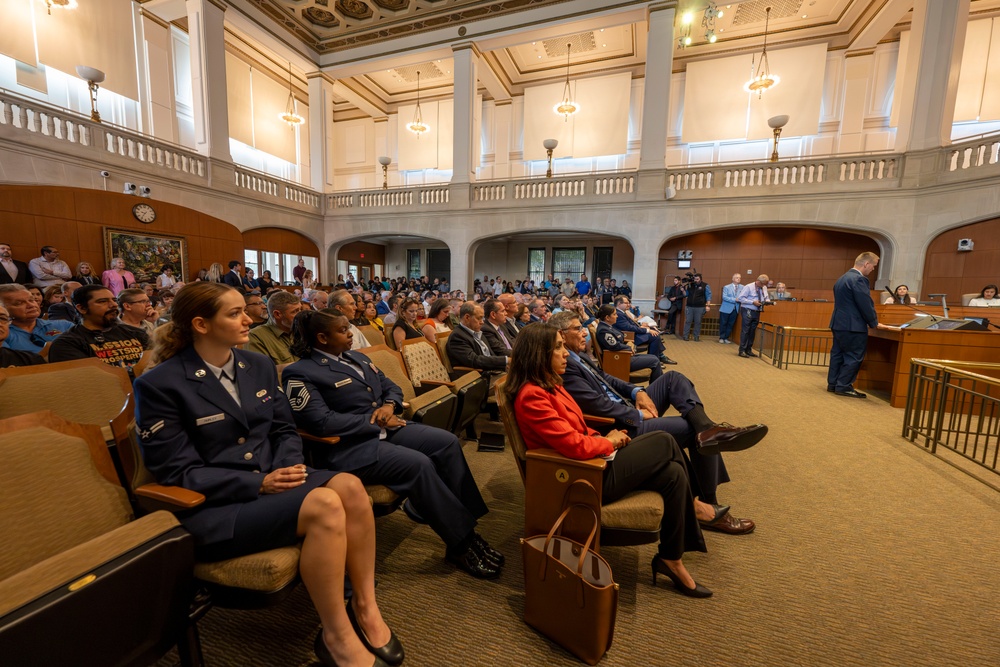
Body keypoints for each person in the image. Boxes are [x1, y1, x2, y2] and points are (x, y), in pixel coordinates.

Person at [133, 282, 403, 667]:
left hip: (271, 481)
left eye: (246, 310)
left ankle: (364, 605)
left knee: (350, 486)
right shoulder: (159, 384)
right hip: (216, 505)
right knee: (327, 503)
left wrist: (287, 466)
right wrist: (257, 482)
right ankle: (336, 633)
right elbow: (175, 470)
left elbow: (283, 429)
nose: (248, 319)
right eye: (234, 313)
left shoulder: (256, 365)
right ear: (200, 324)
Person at [283, 310, 503, 580]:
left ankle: (465, 522)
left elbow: (393, 388)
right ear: (322, 338)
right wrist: (375, 422)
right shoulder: (300, 372)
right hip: (349, 447)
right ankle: (461, 543)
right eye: (343, 330)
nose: (351, 333)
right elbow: (320, 421)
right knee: (419, 464)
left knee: (446, 442)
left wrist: (389, 406)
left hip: (388, 427)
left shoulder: (358, 358)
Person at [507, 323, 713, 597]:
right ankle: (695, 509)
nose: (565, 353)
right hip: (579, 478)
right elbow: (571, 444)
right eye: (557, 347)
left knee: (673, 474)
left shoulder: (552, 385)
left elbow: (578, 427)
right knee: (664, 440)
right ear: (538, 354)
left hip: (594, 461)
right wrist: (608, 441)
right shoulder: (533, 395)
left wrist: (606, 437)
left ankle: (671, 559)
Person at [550, 311, 764, 534]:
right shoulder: (565, 366)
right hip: (619, 425)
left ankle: (707, 429)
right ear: (562, 336)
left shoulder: (579, 356)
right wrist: (638, 415)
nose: (584, 331)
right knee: (689, 429)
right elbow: (596, 406)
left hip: (626, 406)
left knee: (673, 379)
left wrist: (637, 391)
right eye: (578, 328)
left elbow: (609, 379)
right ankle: (709, 505)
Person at [828, 252, 890, 398]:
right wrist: (874, 322)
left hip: (838, 323)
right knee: (853, 356)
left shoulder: (842, 278)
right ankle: (843, 386)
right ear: (866, 264)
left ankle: (833, 383)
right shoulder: (859, 279)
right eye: (873, 266)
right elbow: (865, 304)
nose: (873, 269)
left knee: (837, 354)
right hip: (853, 325)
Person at [49, 285, 149, 369]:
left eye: (114, 300)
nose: (114, 305)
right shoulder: (67, 344)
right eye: (102, 301)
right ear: (82, 308)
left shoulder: (137, 333)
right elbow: (85, 382)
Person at [594, 304, 663, 381]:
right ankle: (658, 388)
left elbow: (621, 336)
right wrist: (629, 347)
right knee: (655, 361)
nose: (617, 316)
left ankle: (659, 387)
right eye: (614, 314)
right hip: (618, 360)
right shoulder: (604, 330)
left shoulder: (608, 326)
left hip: (622, 355)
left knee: (654, 358)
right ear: (607, 318)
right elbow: (614, 346)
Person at [0, 284, 74, 353]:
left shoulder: (64, 325)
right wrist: (47, 352)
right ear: (2, 308)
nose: (31, 305)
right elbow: (9, 363)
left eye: (32, 300)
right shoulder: (3, 335)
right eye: (19, 303)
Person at [445, 302, 509, 372]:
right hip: (477, 376)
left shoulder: (477, 331)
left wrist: (504, 366)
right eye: (479, 318)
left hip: (494, 371)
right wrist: (505, 360)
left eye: (482, 318)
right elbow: (475, 360)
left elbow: (490, 354)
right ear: (467, 317)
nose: (482, 322)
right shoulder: (457, 336)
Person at [247, 290, 304, 365]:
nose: (300, 315)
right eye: (295, 311)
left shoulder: (303, 331)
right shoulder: (256, 336)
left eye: (300, 310)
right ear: (277, 314)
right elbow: (261, 372)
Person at [613, 296, 675, 365]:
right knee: (654, 336)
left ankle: (658, 357)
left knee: (653, 330)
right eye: (626, 303)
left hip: (632, 333)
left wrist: (640, 325)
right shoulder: (619, 314)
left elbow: (630, 324)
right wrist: (646, 330)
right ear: (619, 304)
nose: (628, 305)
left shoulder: (622, 312)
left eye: (628, 303)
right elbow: (629, 327)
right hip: (629, 337)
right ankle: (654, 360)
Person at [736, 274, 769, 359]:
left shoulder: (764, 287)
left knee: (752, 331)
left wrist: (768, 302)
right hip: (747, 309)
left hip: (757, 310)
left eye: (765, 284)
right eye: (762, 284)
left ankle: (748, 349)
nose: (763, 286)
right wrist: (752, 302)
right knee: (745, 330)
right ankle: (742, 350)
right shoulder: (748, 287)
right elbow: (740, 298)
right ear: (758, 281)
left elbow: (766, 297)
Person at [682, 273, 711, 342]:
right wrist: (683, 289)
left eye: (697, 279)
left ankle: (696, 336)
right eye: (695, 279)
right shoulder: (690, 285)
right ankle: (685, 336)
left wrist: (708, 305)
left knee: (698, 322)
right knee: (688, 321)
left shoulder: (705, 286)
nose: (696, 280)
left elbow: (708, 296)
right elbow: (686, 294)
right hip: (690, 306)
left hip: (700, 307)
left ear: (700, 279)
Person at [718, 273, 741, 344]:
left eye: (740, 278)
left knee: (731, 324)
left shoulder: (743, 287)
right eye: (737, 277)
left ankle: (726, 337)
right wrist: (735, 299)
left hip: (736, 309)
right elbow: (724, 297)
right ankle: (721, 337)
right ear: (733, 279)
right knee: (723, 323)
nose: (738, 279)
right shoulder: (727, 287)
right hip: (725, 309)